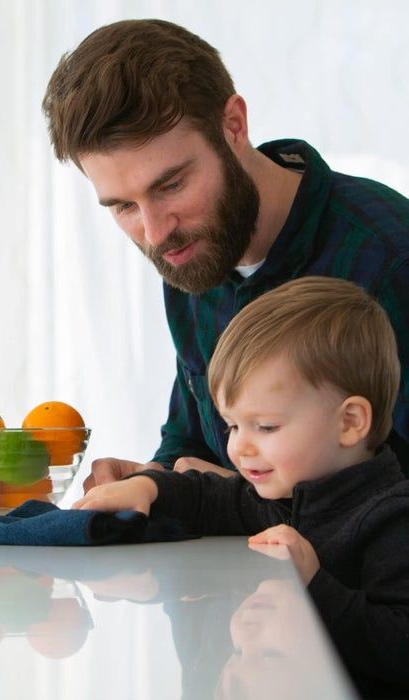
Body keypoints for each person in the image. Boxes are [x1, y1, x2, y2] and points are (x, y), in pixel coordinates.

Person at [41, 18, 409, 488]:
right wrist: (157, 479)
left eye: (171, 184)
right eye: (124, 206)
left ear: (233, 124)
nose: (154, 232)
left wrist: (243, 503)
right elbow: (194, 443)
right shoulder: (191, 252)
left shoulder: (389, 259)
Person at [73, 276, 409, 697]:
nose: (239, 447)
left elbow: (400, 649)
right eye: (233, 425)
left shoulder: (393, 519)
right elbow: (208, 497)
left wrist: (313, 587)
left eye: (265, 426)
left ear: (350, 422)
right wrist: (149, 487)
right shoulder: (285, 494)